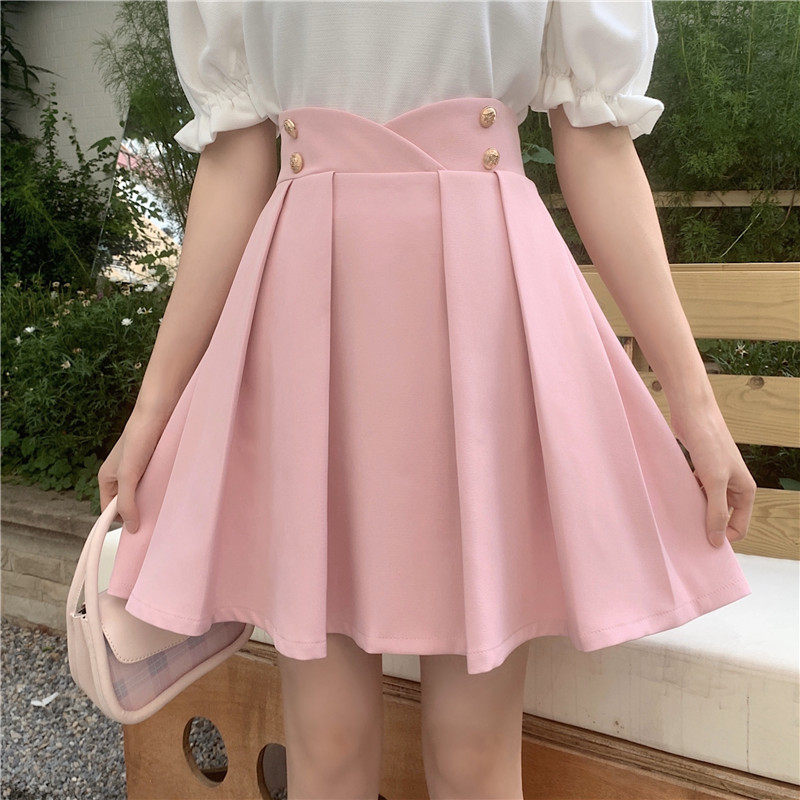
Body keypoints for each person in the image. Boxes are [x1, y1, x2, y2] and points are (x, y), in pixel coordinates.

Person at [100, 2, 755, 797]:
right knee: (325, 744)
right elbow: (235, 152)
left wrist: (697, 409)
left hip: (481, 308)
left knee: (472, 754)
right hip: (310, 308)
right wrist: (153, 409)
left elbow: (597, 137)